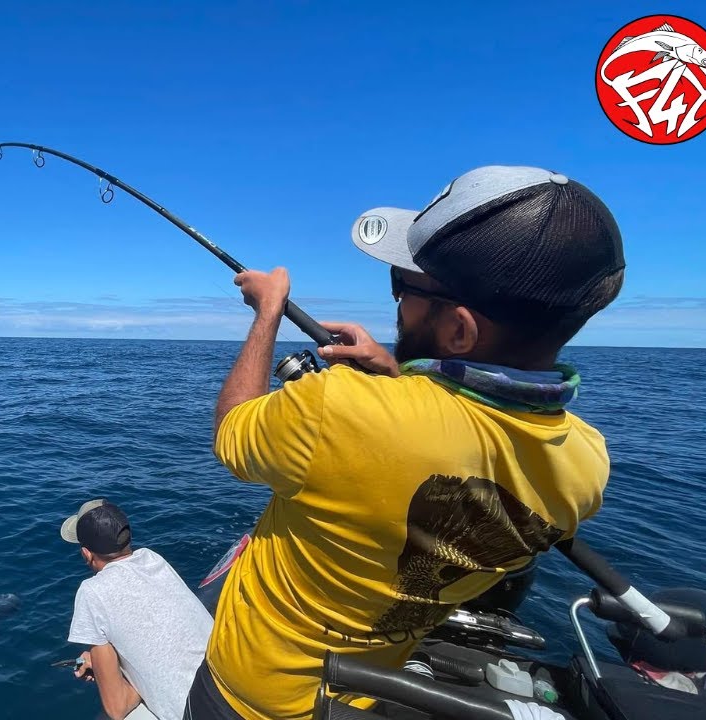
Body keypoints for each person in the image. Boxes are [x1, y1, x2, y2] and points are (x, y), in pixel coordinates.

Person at [185, 166, 626, 719]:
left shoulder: (338, 405)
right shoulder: (588, 466)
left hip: (249, 698)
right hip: (362, 696)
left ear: (461, 330)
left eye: (405, 287)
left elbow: (232, 431)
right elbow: (455, 440)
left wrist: (267, 313)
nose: (396, 303)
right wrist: (399, 377)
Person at [62, 498, 215, 720]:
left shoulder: (91, 592)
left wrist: (111, 673)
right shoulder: (153, 558)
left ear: (86, 553)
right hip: (237, 685)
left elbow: (118, 707)